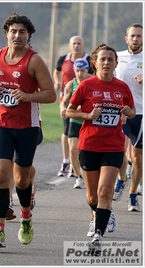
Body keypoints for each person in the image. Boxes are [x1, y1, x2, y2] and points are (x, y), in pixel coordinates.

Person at [0, 12, 56, 247]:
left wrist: (26, 96)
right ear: (6, 34)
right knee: (1, 175)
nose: (17, 35)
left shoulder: (34, 61)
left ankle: (26, 216)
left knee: (22, 179)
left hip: (27, 127)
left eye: (22, 32)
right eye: (13, 31)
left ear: (29, 35)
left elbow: (51, 94)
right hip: (1, 124)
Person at [66, 43, 135, 253]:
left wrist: (126, 111)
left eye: (110, 60)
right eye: (102, 59)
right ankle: (102, 213)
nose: (106, 63)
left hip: (113, 145)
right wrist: (87, 116)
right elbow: (69, 111)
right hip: (88, 145)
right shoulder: (86, 86)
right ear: (94, 63)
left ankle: (98, 234)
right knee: (93, 196)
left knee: (105, 190)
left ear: (116, 64)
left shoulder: (122, 87)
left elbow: (132, 110)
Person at [113, 23, 143, 211]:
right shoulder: (118, 57)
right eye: (132, 36)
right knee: (120, 153)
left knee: (138, 157)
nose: (135, 39)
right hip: (120, 112)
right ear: (126, 38)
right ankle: (122, 179)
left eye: (139, 36)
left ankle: (133, 194)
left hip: (141, 113)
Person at [53, 36, 93, 177]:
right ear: (70, 45)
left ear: (83, 45)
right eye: (74, 44)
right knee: (67, 131)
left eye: (79, 43)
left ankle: (80, 164)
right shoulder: (63, 59)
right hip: (69, 101)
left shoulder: (89, 60)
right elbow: (57, 71)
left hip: (87, 107)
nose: (76, 46)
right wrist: (57, 83)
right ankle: (67, 161)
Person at [59, 58, 91, 189]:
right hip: (74, 120)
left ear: (87, 69)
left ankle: (90, 174)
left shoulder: (92, 82)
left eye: (82, 71)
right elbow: (64, 101)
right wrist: (62, 108)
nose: (79, 73)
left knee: (86, 151)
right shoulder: (71, 84)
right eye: (77, 71)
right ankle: (79, 177)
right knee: (72, 150)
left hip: (89, 121)